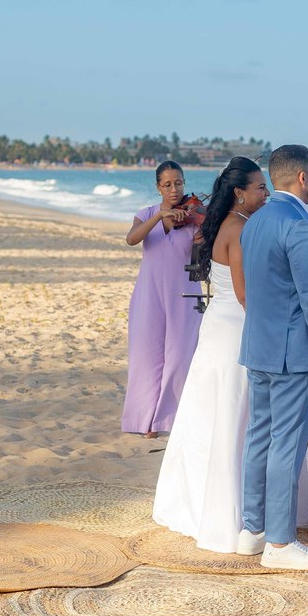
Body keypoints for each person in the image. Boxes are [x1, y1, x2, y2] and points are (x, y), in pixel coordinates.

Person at [152, 157, 308, 552]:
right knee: (269, 436)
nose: (264, 193)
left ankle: (251, 528)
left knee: (242, 430)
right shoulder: (276, 226)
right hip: (253, 334)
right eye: (257, 188)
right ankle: (278, 541)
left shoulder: (242, 224)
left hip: (231, 333)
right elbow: (259, 295)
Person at [237, 145, 308, 571]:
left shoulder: (255, 220)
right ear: (302, 177)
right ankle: (280, 545)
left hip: (258, 347)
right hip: (293, 353)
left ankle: (252, 530)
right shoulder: (301, 226)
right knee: (286, 445)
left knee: (258, 437)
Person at [121, 161, 203, 438]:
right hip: (150, 294)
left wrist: (200, 226)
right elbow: (131, 239)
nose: (174, 189)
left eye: (178, 183)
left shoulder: (196, 215)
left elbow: (207, 255)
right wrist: (159, 217)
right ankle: (145, 420)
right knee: (148, 356)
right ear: (158, 187)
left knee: (179, 356)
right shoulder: (145, 214)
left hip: (185, 293)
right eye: (167, 185)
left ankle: (167, 419)